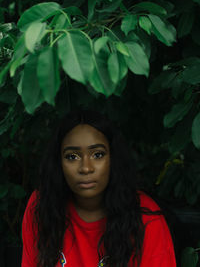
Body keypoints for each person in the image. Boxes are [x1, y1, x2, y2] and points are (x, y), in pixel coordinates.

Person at [21, 109, 176, 267]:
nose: (86, 168)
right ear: (59, 163)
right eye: (72, 156)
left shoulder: (146, 217)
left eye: (97, 155)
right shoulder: (42, 206)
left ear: (113, 159)